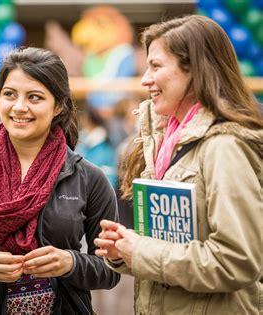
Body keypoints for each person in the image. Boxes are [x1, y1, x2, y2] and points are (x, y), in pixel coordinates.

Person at [94, 15, 262, 314]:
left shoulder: (225, 148)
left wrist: (141, 251)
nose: (144, 79)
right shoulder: (162, 142)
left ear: (194, 71)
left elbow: (237, 262)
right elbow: (175, 248)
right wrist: (125, 248)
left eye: (155, 66)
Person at [0, 47, 120, 314]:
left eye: (35, 97)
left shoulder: (89, 179)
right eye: (9, 95)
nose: (19, 107)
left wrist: (70, 263)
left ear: (58, 105)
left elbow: (111, 269)